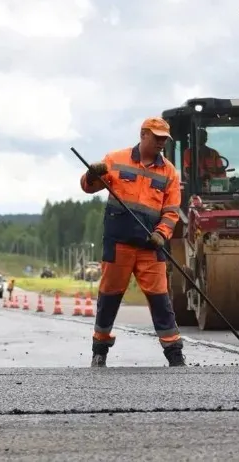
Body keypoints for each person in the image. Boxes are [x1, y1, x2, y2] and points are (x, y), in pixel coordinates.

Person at [79, 116, 185, 368]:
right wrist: (92, 174)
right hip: (119, 246)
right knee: (109, 297)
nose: (161, 143)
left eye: (164, 139)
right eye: (157, 137)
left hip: (151, 247)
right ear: (143, 135)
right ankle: (99, 350)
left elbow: (171, 212)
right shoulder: (115, 159)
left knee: (161, 300)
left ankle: (174, 354)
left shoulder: (169, 172)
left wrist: (161, 234)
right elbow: (88, 187)